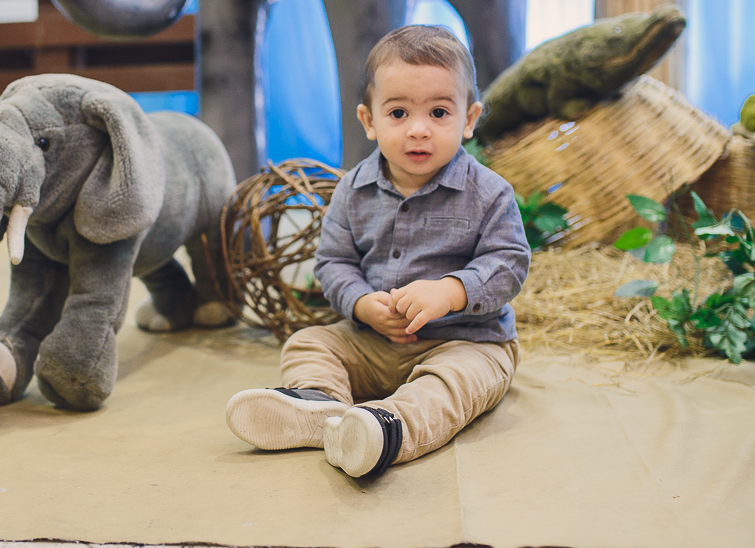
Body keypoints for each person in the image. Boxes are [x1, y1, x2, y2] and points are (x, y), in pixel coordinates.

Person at [225, 25, 531, 479]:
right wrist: (363, 305)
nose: (419, 130)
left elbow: (509, 262)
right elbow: (333, 262)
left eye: (440, 112)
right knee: (310, 342)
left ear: (469, 119)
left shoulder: (489, 193)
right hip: (372, 341)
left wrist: (449, 292)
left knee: (456, 385)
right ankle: (319, 405)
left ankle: (387, 429)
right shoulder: (353, 190)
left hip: (466, 341)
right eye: (399, 113)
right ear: (369, 121)